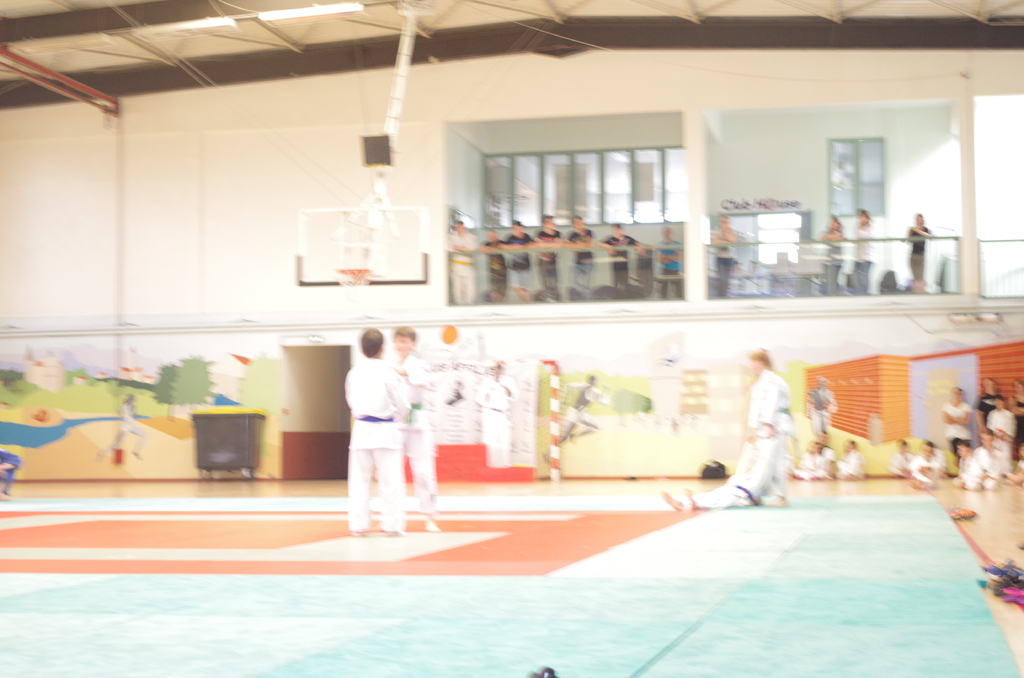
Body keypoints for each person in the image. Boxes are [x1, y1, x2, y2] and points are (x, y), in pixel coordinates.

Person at [346, 328, 410, 537]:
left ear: (361, 350)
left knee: (359, 481)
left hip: (362, 429)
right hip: (385, 431)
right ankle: (392, 526)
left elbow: (350, 401)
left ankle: (358, 525)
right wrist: (397, 416)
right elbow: (402, 405)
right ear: (383, 348)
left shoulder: (354, 373)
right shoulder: (390, 372)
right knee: (391, 482)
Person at [392, 327, 440, 533]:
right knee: (392, 471)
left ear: (413, 344)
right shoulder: (391, 365)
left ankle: (430, 516)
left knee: (423, 471)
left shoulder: (420, 365)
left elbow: (419, 380)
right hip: (397, 422)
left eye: (405, 341)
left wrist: (396, 371)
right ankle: (394, 516)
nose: (401, 345)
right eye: (398, 341)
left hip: (418, 423)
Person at [661, 437, 784, 510]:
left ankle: (687, 504)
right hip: (737, 488)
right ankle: (684, 503)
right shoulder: (756, 477)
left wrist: (769, 441)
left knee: (717, 498)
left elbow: (764, 461)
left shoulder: (761, 475)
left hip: (739, 492)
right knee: (713, 495)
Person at [745, 349, 793, 505]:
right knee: (760, 461)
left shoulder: (773, 380)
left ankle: (781, 497)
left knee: (776, 460)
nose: (750, 366)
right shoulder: (759, 382)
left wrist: (770, 424)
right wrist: (751, 427)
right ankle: (757, 494)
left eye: (752, 362)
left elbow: (773, 402)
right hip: (764, 427)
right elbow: (755, 406)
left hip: (776, 425)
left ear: (760, 362)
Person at [476, 363, 519, 467]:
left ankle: (505, 464)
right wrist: (489, 391)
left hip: (503, 413)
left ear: (501, 370)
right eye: (493, 369)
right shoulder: (486, 381)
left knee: (505, 439)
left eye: (497, 369)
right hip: (489, 412)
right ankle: (490, 465)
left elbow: (516, 396)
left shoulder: (508, 380)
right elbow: (478, 398)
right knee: (489, 439)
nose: (495, 371)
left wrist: (506, 390)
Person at [560, 374, 609, 444]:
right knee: (564, 437)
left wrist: (566, 401)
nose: (596, 382)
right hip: (577, 414)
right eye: (595, 381)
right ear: (592, 381)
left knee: (596, 427)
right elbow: (604, 402)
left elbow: (568, 386)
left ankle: (574, 435)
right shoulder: (593, 390)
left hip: (577, 413)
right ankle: (574, 436)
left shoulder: (583, 385)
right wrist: (606, 389)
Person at [97, 394, 146, 461]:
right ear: (129, 400)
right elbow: (119, 410)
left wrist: (135, 415)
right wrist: (122, 416)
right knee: (116, 445)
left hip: (131, 426)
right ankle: (101, 453)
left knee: (143, 435)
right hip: (125, 427)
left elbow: (132, 414)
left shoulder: (132, 407)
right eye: (132, 400)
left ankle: (136, 451)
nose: (133, 402)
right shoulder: (125, 407)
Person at [601, 224, 645, 298]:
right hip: (615, 264)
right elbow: (599, 243)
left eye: (618, 230)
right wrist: (608, 246)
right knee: (615, 282)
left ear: (621, 230)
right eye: (615, 230)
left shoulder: (626, 239)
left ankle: (624, 297)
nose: (616, 231)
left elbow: (637, 243)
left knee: (624, 282)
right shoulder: (611, 239)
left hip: (624, 264)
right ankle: (616, 297)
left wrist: (639, 248)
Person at [448, 220, 478, 305]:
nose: (460, 229)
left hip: (468, 266)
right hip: (456, 266)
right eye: (458, 227)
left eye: (462, 227)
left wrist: (458, 248)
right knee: (457, 288)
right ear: (455, 228)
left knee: (470, 288)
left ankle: (470, 305)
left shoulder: (471, 237)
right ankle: (458, 305)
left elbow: (473, 248)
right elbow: (449, 248)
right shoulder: (451, 237)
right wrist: (464, 249)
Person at [503, 220, 533, 303]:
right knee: (515, 286)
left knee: (524, 288)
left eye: (518, 228)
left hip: (525, 267)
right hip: (513, 267)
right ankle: (529, 302)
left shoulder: (526, 237)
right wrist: (513, 247)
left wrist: (522, 247)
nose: (516, 230)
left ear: (521, 228)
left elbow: (532, 245)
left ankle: (526, 303)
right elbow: (503, 246)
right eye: (514, 228)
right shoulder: (510, 237)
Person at [987, 394, 1016, 478]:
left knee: (1006, 456)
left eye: (1000, 402)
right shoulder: (992, 414)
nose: (998, 404)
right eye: (996, 402)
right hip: (995, 438)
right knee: (995, 455)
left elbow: (1012, 427)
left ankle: (1006, 473)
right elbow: (990, 426)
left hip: (1005, 439)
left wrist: (1005, 435)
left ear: (1003, 402)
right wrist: (996, 434)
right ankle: (996, 474)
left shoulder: (1009, 414)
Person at [534, 215, 562, 301]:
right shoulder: (540, 233)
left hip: (553, 261)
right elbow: (538, 245)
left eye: (553, 222)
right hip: (543, 261)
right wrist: (551, 244)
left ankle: (556, 299)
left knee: (554, 281)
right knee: (545, 282)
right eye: (549, 223)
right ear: (544, 224)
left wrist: (545, 245)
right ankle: (547, 299)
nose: (552, 224)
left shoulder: (557, 233)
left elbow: (558, 244)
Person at [566, 216, 595, 300]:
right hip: (577, 262)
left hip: (588, 261)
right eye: (577, 223)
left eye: (581, 223)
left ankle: (588, 301)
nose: (580, 225)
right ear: (573, 224)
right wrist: (578, 245)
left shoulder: (589, 232)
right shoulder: (572, 234)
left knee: (586, 284)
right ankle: (589, 298)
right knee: (572, 281)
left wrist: (575, 244)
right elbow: (567, 245)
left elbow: (588, 244)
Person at [941, 387, 972, 464]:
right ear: (952, 394)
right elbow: (945, 420)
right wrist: (959, 420)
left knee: (965, 452)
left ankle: (963, 466)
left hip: (963, 433)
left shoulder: (966, 406)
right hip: (951, 433)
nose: (957, 395)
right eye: (955, 393)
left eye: (959, 393)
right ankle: (959, 463)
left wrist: (952, 418)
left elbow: (966, 421)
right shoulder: (946, 405)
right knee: (956, 448)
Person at [711, 215, 737, 298]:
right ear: (720, 222)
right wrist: (727, 241)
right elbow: (715, 240)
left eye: (726, 222)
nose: (724, 224)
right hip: (719, 258)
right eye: (723, 222)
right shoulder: (716, 231)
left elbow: (733, 240)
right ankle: (720, 296)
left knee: (727, 279)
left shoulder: (732, 231)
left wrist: (725, 232)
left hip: (729, 258)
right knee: (721, 278)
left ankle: (724, 296)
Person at [479, 230, 506, 303]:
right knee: (494, 288)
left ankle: (500, 303)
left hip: (503, 269)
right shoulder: (486, 243)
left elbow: (505, 247)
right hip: (492, 270)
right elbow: (482, 248)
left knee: (502, 289)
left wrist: (491, 248)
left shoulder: (501, 242)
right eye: (490, 236)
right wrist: (489, 248)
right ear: (488, 237)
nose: (493, 237)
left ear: (497, 235)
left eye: (494, 236)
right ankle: (495, 303)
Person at [656, 225, 683, 299]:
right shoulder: (660, 245)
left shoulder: (678, 244)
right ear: (663, 233)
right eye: (666, 232)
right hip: (665, 270)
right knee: (663, 292)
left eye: (669, 232)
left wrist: (666, 257)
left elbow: (679, 258)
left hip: (676, 270)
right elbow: (660, 259)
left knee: (679, 292)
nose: (667, 234)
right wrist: (672, 257)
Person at [907, 213, 932, 293]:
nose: (918, 221)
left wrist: (918, 231)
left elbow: (930, 236)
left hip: (921, 256)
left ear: (922, 220)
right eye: (916, 219)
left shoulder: (925, 229)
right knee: (915, 278)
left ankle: (921, 292)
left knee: (920, 277)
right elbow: (908, 241)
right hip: (913, 256)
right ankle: (916, 293)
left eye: (919, 219)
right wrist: (909, 233)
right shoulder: (912, 229)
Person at [821, 216, 845, 295]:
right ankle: (830, 295)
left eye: (835, 223)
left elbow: (840, 237)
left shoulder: (842, 232)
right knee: (829, 282)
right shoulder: (826, 232)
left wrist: (830, 237)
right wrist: (833, 236)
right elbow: (822, 237)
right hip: (828, 261)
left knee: (834, 282)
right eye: (832, 223)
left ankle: (833, 295)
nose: (833, 224)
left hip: (837, 262)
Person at [853, 209, 875, 294]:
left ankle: (865, 294)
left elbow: (866, 237)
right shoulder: (857, 227)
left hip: (867, 256)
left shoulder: (872, 227)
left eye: (862, 217)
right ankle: (859, 294)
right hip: (858, 256)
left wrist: (862, 229)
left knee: (864, 277)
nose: (860, 219)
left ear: (867, 218)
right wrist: (861, 229)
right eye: (859, 217)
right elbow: (857, 237)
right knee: (856, 276)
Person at [1012, 380, 1024, 459]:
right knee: (1021, 448)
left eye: (1019, 386)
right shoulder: (1013, 398)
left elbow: (1016, 409)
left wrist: (1018, 408)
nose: (1017, 388)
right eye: (1015, 387)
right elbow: (1013, 411)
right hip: (1020, 427)